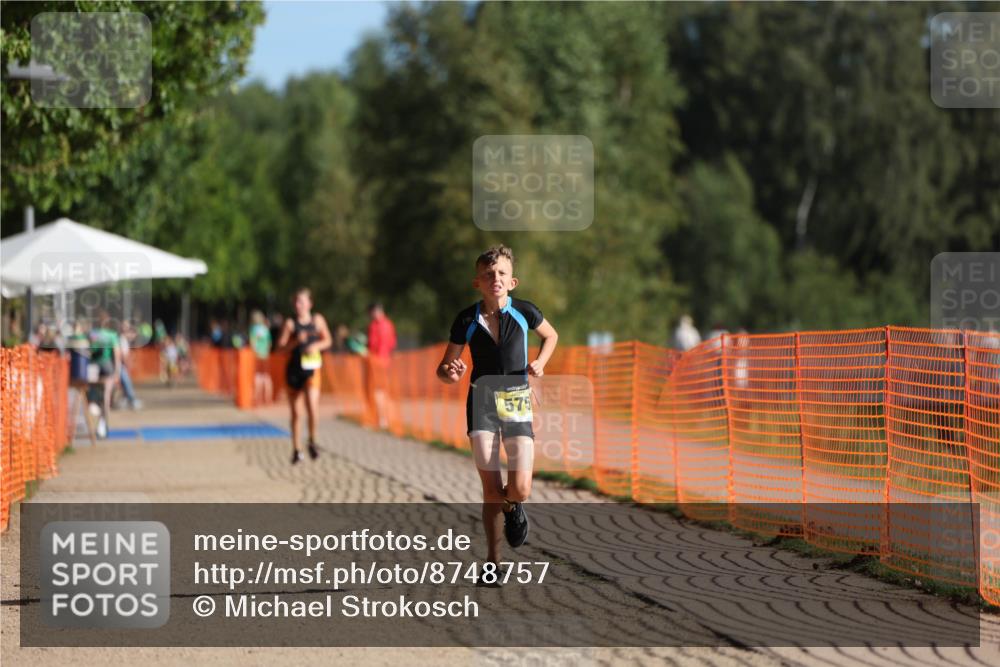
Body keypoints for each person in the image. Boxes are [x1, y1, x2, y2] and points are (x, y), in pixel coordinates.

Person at [436, 245, 558, 583]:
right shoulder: (467, 319)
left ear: (513, 281)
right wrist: (452, 371)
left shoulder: (525, 312)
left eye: (502, 274)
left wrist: (540, 363)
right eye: (489, 275)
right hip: (482, 403)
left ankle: (513, 506)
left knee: (520, 487)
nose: (496, 279)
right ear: (478, 282)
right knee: (491, 489)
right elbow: (443, 369)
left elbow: (551, 335)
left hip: (517, 399)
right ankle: (493, 564)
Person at [277, 288, 333, 464]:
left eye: (301, 302)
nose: (298, 305)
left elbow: (328, 340)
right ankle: (296, 449)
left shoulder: (318, 320)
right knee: (296, 413)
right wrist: (295, 342)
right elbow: (280, 349)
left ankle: (313, 441)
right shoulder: (290, 324)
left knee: (312, 406)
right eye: (296, 302)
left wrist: (316, 346)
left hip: (312, 369)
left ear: (310, 303)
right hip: (294, 371)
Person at [366, 302, 397, 430]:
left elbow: (373, 344)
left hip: (377, 362)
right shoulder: (389, 324)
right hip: (386, 361)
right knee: (384, 391)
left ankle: (381, 420)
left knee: (377, 391)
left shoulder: (375, 325)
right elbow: (393, 343)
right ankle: (387, 419)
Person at [90, 311, 122, 435]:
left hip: (93, 367)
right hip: (106, 366)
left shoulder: (92, 334)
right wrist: (117, 372)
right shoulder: (112, 335)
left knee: (93, 394)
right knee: (106, 395)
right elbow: (117, 355)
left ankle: (95, 408)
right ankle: (103, 424)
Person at [249, 310, 273, 405]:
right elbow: (269, 343)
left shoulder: (253, 329)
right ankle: (268, 399)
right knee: (266, 377)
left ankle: (257, 398)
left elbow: (252, 343)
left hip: (257, 356)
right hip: (266, 355)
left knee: (257, 377)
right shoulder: (265, 329)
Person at [116, 321, 141, 409]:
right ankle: (132, 400)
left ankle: (125, 400)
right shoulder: (121, 339)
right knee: (126, 382)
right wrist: (127, 364)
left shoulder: (123, 339)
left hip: (121, 364)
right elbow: (122, 354)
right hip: (120, 365)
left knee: (124, 383)